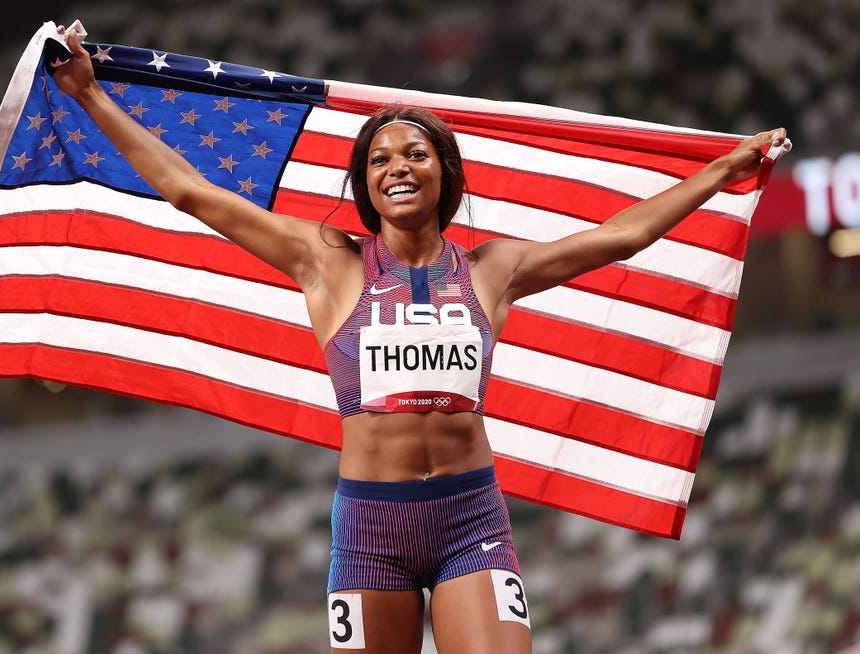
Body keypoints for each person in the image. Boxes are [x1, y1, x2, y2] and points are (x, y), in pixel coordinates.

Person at [52, 24, 786, 654]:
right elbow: (189, 189)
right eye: (379, 159)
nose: (397, 166)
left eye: (414, 153)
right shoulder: (328, 262)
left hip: (473, 522)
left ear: (445, 172)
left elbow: (621, 236)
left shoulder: (494, 268)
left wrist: (720, 170)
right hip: (372, 530)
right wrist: (89, 95)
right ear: (365, 187)